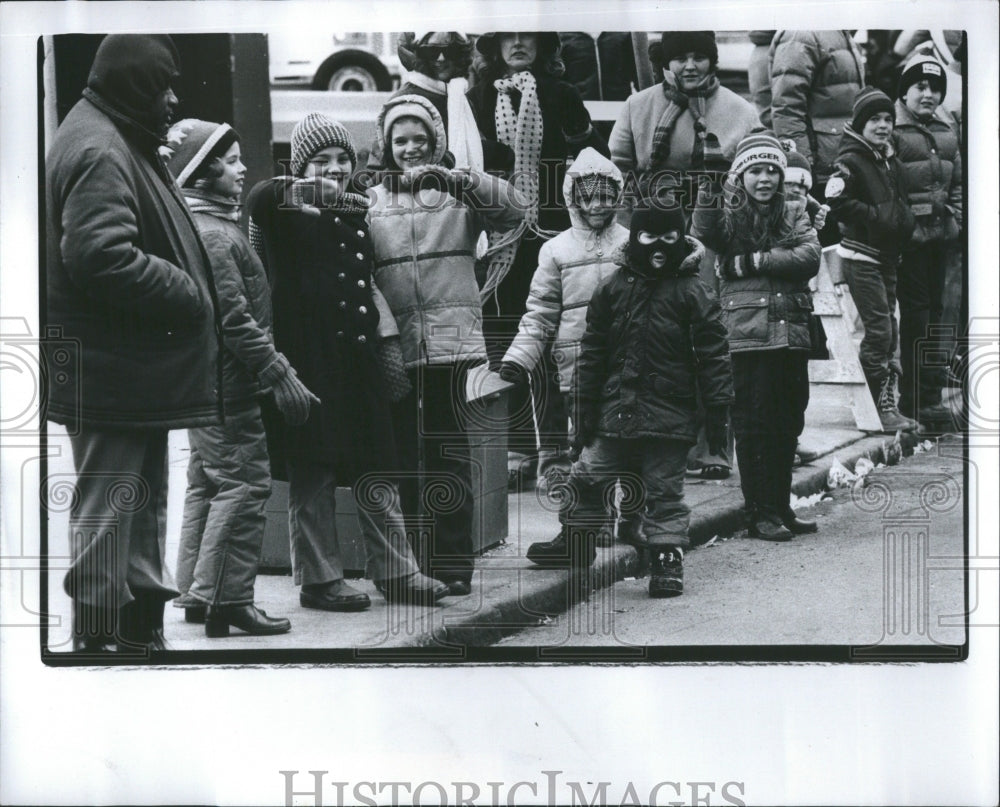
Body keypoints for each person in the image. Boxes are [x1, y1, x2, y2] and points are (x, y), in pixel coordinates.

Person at [45, 34, 222, 652]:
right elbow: (99, 256)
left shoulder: (108, 131)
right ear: (135, 85)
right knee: (110, 503)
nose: (173, 99)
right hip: (109, 366)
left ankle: (138, 624)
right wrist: (188, 291)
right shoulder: (100, 147)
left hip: (125, 367)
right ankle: (97, 635)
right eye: (163, 85)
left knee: (135, 497)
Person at [248, 113, 450, 611]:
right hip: (308, 362)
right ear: (299, 167)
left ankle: (399, 572)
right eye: (321, 161)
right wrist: (309, 188)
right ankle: (319, 580)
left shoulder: (358, 212)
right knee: (312, 471)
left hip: (357, 360)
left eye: (342, 159)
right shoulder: (286, 208)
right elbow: (261, 197)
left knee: (377, 466)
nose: (335, 169)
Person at [525, 202, 733, 597]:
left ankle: (667, 557)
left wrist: (718, 418)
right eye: (648, 238)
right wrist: (584, 412)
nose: (659, 247)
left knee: (664, 492)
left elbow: (714, 358)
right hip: (615, 411)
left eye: (669, 238)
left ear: (681, 238)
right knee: (586, 475)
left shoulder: (693, 291)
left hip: (670, 417)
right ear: (634, 239)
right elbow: (593, 353)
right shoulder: (613, 288)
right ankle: (576, 539)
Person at [367, 94, 525, 595]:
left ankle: (453, 564)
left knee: (449, 453)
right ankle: (412, 565)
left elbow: (517, 211)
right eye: (400, 140)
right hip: (396, 345)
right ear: (387, 147)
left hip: (453, 342)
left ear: (436, 141)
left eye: (420, 139)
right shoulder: (373, 202)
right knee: (402, 453)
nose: (411, 149)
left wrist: (465, 180)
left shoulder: (460, 196)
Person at [163, 120, 311, 637]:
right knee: (245, 485)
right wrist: (277, 372)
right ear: (202, 174)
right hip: (230, 387)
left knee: (207, 482)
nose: (242, 167)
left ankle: (197, 592)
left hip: (204, 385)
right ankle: (229, 599)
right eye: (229, 160)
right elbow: (234, 320)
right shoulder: (217, 235)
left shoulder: (197, 227)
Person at [608, 30, 760, 481]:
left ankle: (715, 445)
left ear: (712, 61)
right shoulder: (639, 106)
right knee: (658, 341)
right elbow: (620, 174)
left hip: (714, 237)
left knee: (710, 342)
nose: (690, 66)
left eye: (699, 57)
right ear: (665, 63)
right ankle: (664, 444)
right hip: (652, 236)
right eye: (680, 58)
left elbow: (753, 179)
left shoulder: (740, 110)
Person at [467, 31, 608, 490]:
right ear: (494, 48)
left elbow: (595, 159)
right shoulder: (476, 97)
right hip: (498, 240)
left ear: (544, 46)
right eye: (507, 38)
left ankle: (552, 453)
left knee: (547, 345)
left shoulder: (560, 94)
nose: (518, 44)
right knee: (502, 340)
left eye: (527, 37)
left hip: (550, 235)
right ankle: (515, 446)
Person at [691, 133, 822, 541]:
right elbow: (704, 229)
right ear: (741, 176)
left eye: (772, 171)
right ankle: (758, 512)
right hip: (747, 335)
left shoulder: (796, 210)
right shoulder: (728, 215)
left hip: (792, 333)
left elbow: (809, 257)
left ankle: (780, 506)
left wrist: (752, 262)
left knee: (789, 421)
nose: (764, 179)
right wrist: (709, 186)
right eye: (755, 170)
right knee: (753, 424)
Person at [499, 148, 629, 492]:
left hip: (624, 357)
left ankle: (614, 480)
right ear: (574, 199)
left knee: (613, 423)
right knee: (565, 421)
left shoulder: (630, 244)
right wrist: (518, 358)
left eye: (605, 195)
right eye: (588, 197)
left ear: (617, 195)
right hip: (572, 358)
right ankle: (556, 471)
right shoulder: (556, 249)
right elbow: (540, 310)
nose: (597, 204)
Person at [825, 88, 918, 433]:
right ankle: (878, 407)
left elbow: (900, 201)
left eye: (888, 119)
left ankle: (882, 402)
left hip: (887, 256)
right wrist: (877, 217)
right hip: (861, 256)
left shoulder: (887, 158)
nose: (882, 126)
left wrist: (902, 221)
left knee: (890, 330)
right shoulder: (851, 160)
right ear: (860, 123)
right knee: (879, 330)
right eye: (874, 120)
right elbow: (837, 201)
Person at [892, 54, 963, 428]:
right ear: (905, 91)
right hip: (909, 244)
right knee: (916, 317)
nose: (929, 94)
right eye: (920, 86)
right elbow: (888, 187)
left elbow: (958, 183)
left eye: (935, 88)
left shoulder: (945, 128)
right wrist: (907, 228)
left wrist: (955, 219)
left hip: (941, 239)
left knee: (938, 314)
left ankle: (933, 396)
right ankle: (913, 399)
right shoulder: (892, 129)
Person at [768, 30, 866, 244]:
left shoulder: (841, 33)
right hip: (818, 172)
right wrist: (802, 169)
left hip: (838, 165)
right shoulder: (802, 34)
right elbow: (787, 110)